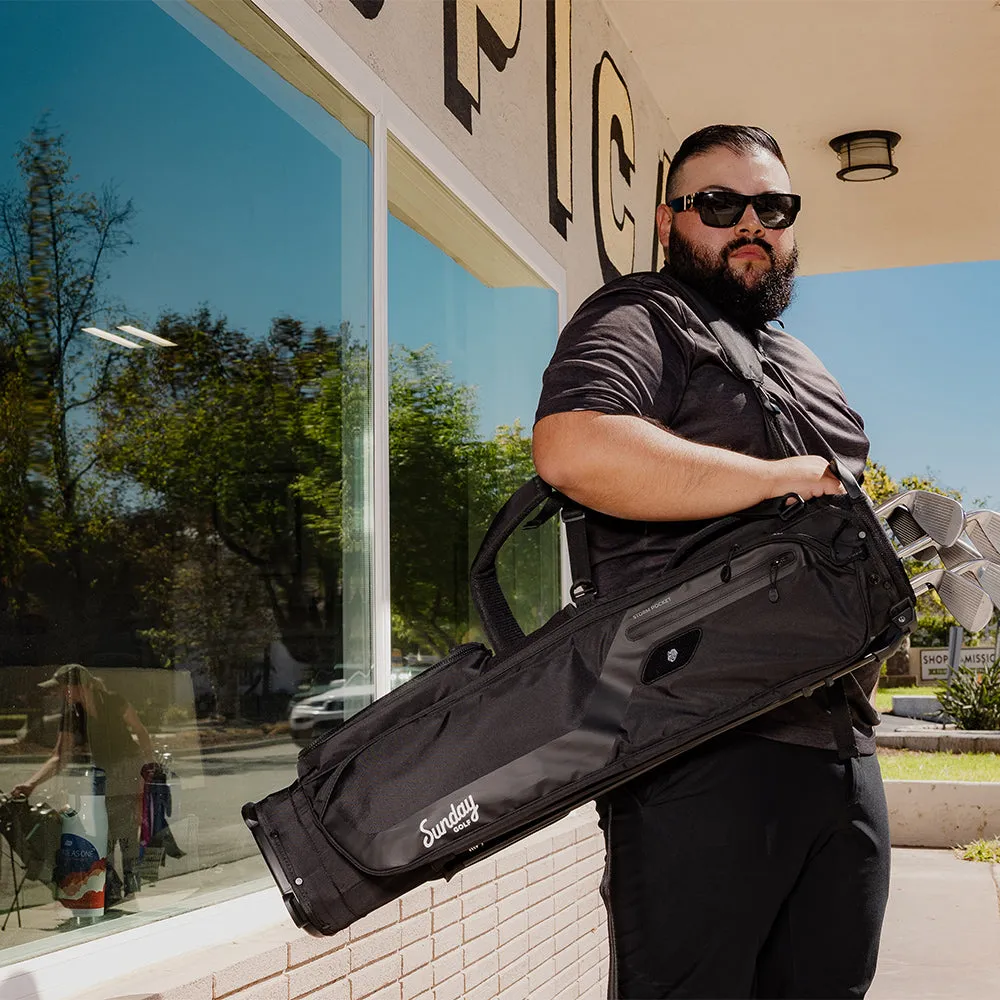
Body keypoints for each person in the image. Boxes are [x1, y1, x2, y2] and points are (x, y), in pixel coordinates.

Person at [532, 125, 888, 999]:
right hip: (699, 756)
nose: (751, 225)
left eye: (773, 207)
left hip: (839, 755)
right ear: (669, 221)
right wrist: (780, 481)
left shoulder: (808, 367)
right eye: (720, 205)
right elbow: (574, 448)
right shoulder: (640, 316)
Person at [12, 663, 155, 907]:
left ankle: (129, 892)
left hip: (129, 770)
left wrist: (149, 774)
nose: (59, 693)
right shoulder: (72, 714)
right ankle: (111, 890)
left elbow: (141, 733)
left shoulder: (113, 701)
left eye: (63, 688)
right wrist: (30, 785)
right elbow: (60, 756)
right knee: (99, 836)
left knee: (126, 834)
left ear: (80, 686)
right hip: (104, 776)